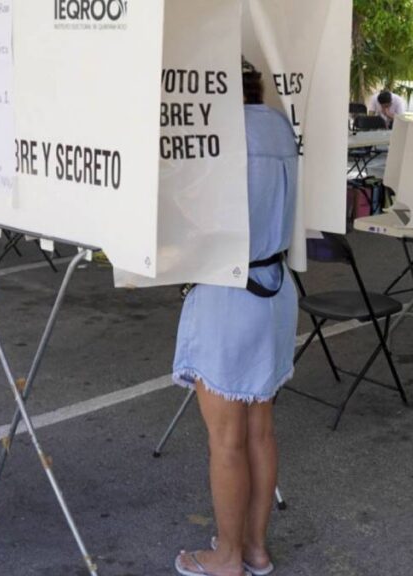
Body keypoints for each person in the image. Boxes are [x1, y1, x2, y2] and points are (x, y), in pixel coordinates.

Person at [174, 59, 298, 576]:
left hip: (229, 292)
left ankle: (225, 557)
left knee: (225, 439)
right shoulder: (277, 125)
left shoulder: (217, 139)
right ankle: (255, 548)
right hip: (276, 289)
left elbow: (190, 221)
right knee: (259, 432)